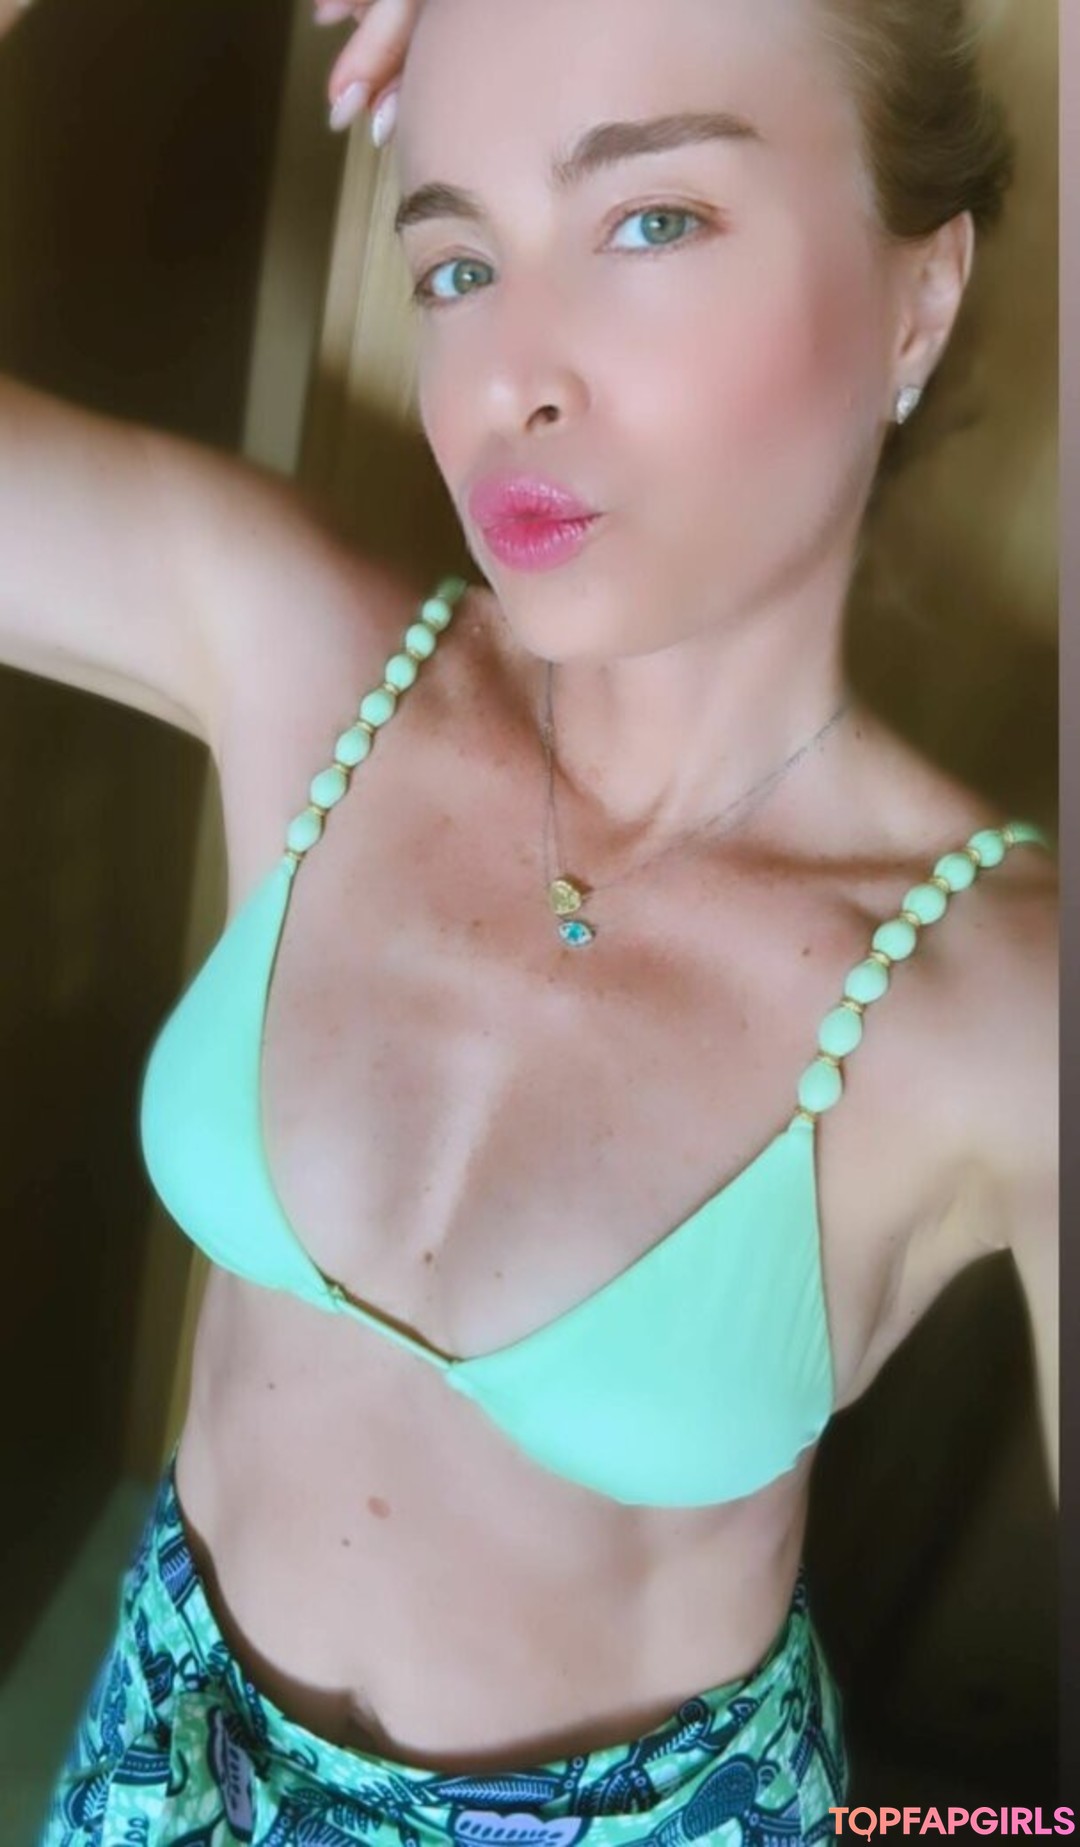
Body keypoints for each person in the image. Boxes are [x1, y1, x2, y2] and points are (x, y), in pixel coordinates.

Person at [1, 0, 1056, 1840]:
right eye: (458, 262)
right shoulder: (302, 656)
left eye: (651, 221)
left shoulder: (1005, 1002)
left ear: (919, 297)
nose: (513, 381)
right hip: (168, 1749)